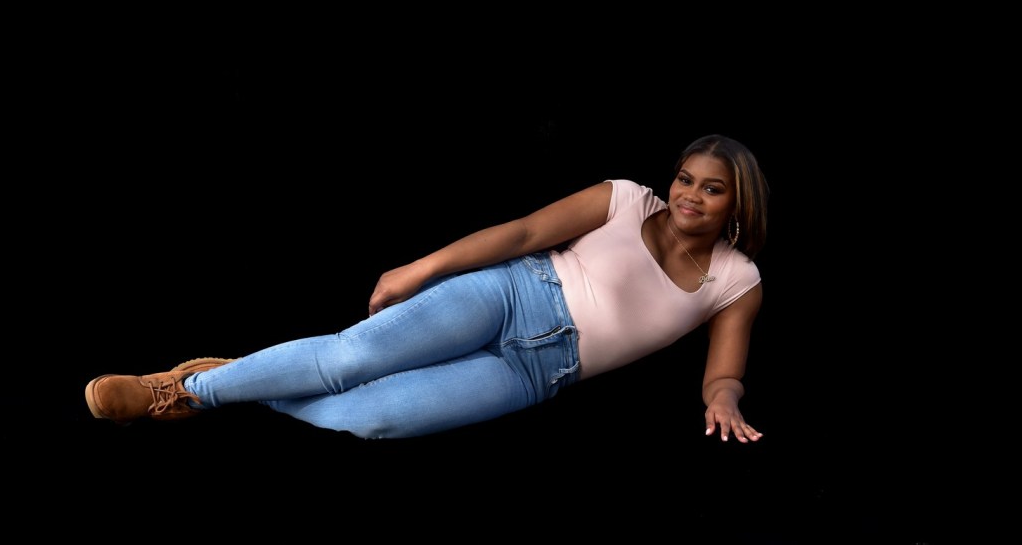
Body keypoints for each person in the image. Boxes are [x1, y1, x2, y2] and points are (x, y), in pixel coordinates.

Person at [85, 134, 769, 443]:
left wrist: (724, 400)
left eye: (712, 189)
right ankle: (176, 391)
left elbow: (723, 374)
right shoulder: (624, 199)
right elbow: (524, 231)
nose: (690, 195)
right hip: (512, 294)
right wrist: (421, 268)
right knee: (350, 358)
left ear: (738, 203)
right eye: (686, 179)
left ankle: (242, 376)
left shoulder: (737, 281)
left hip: (539, 372)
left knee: (370, 419)